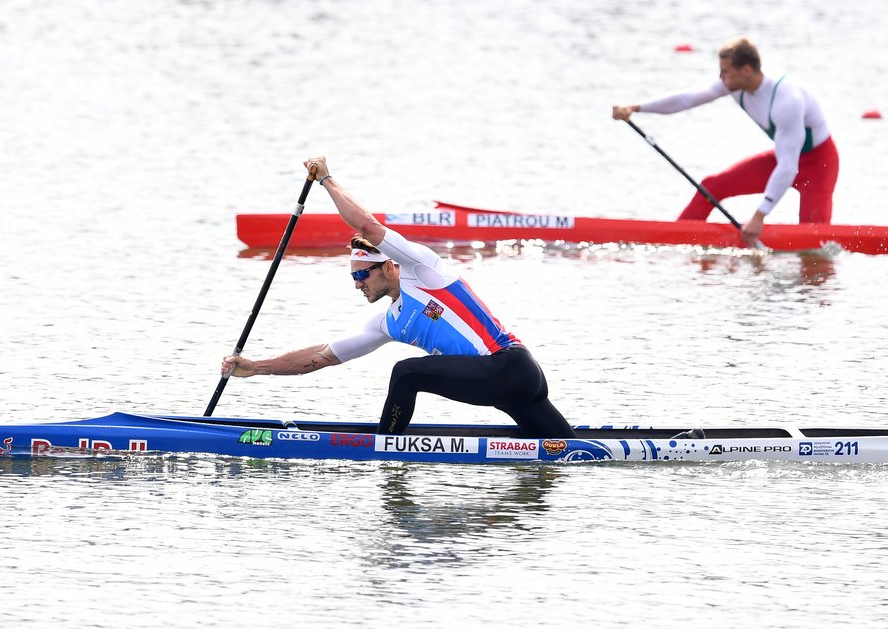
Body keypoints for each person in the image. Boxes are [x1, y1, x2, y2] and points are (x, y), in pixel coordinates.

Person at [220, 157, 575, 439]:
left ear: (388, 266)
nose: (358, 284)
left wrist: (326, 179)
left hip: (508, 365)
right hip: (509, 386)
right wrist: (257, 368)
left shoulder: (421, 270)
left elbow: (369, 227)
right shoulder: (387, 322)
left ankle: (386, 448)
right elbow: (322, 356)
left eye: (363, 274)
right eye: (353, 278)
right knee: (571, 451)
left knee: (405, 373)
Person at [611, 37, 839, 244]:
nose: (721, 77)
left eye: (726, 71)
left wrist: (759, 216)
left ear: (747, 70)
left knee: (816, 240)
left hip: (819, 165)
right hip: (783, 157)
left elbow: (789, 167)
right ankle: (675, 239)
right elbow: (686, 99)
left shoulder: (787, 100)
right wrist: (637, 107)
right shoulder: (735, 85)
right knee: (712, 186)